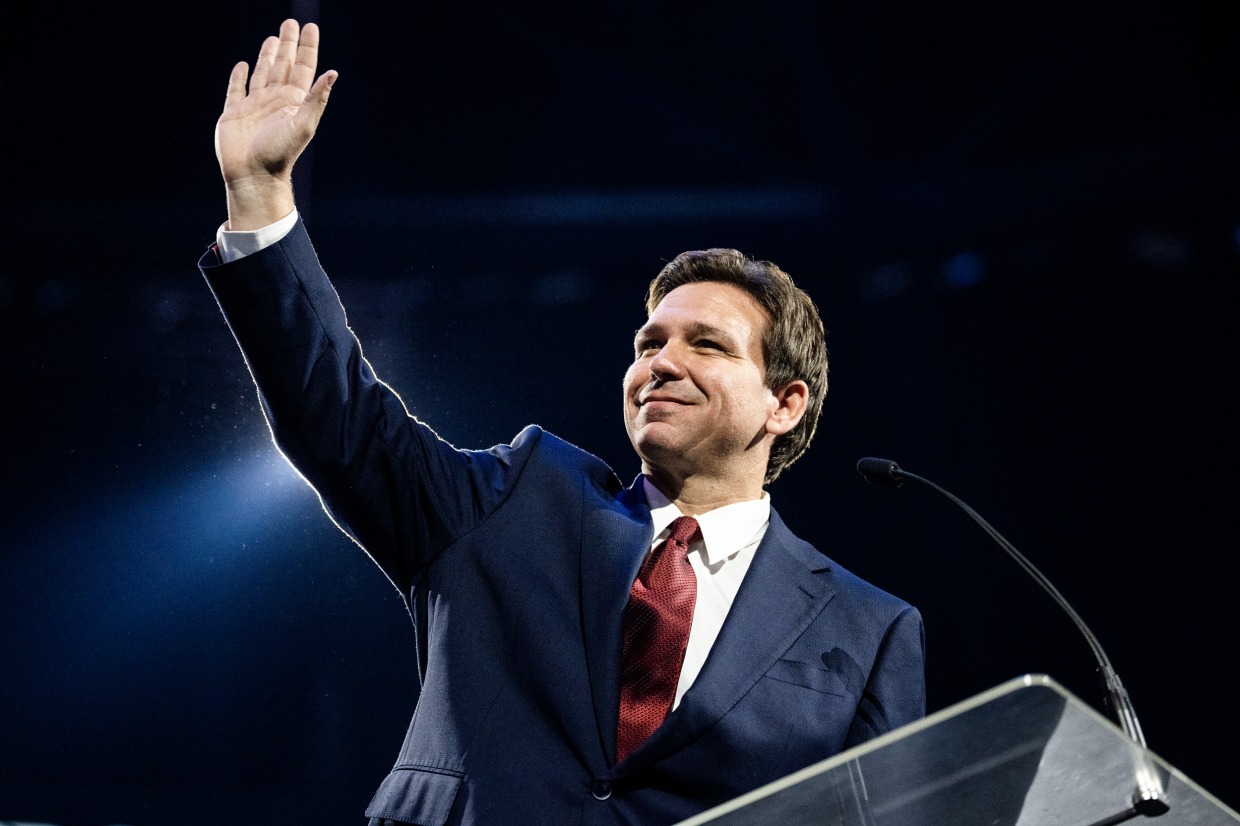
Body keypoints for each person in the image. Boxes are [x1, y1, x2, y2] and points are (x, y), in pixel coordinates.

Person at [200, 19, 925, 826]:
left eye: (707, 344)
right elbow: (340, 420)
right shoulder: (519, 498)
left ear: (783, 404)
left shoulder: (868, 629)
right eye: (649, 343)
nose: (662, 363)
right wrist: (258, 197)